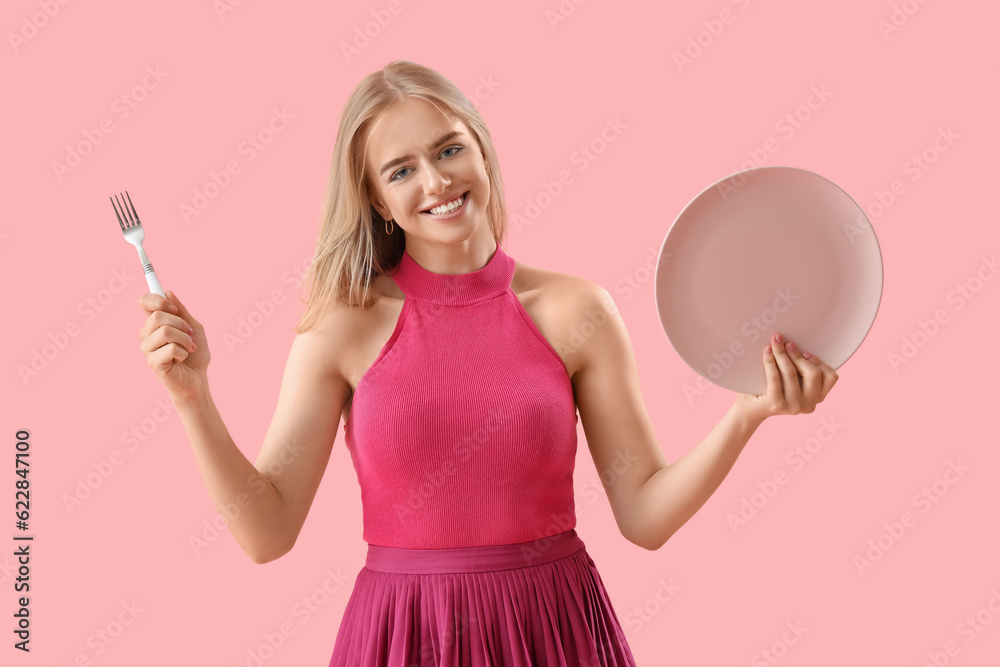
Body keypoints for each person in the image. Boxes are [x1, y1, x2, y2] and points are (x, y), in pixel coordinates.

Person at [137, 60, 840, 666]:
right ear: (378, 199)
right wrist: (193, 397)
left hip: (552, 627)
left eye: (449, 150)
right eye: (402, 170)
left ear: (483, 150)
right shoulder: (340, 327)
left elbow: (645, 516)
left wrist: (749, 413)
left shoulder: (574, 309)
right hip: (403, 634)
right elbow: (268, 531)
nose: (435, 181)